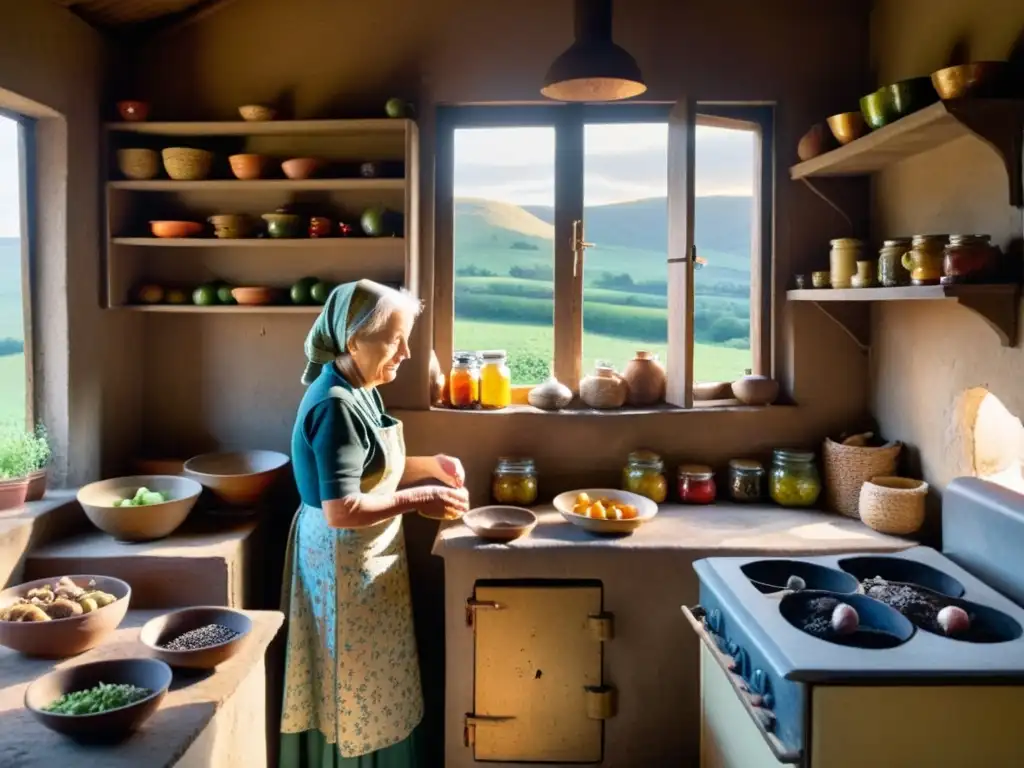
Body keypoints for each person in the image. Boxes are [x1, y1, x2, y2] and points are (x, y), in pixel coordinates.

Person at [280, 279, 470, 768]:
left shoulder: (358, 386)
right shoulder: (335, 405)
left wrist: (430, 464)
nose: (406, 352)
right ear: (352, 340)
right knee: (356, 686)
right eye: (395, 339)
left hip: (364, 561)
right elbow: (342, 508)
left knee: (375, 683)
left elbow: (368, 467)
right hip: (342, 567)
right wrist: (423, 496)